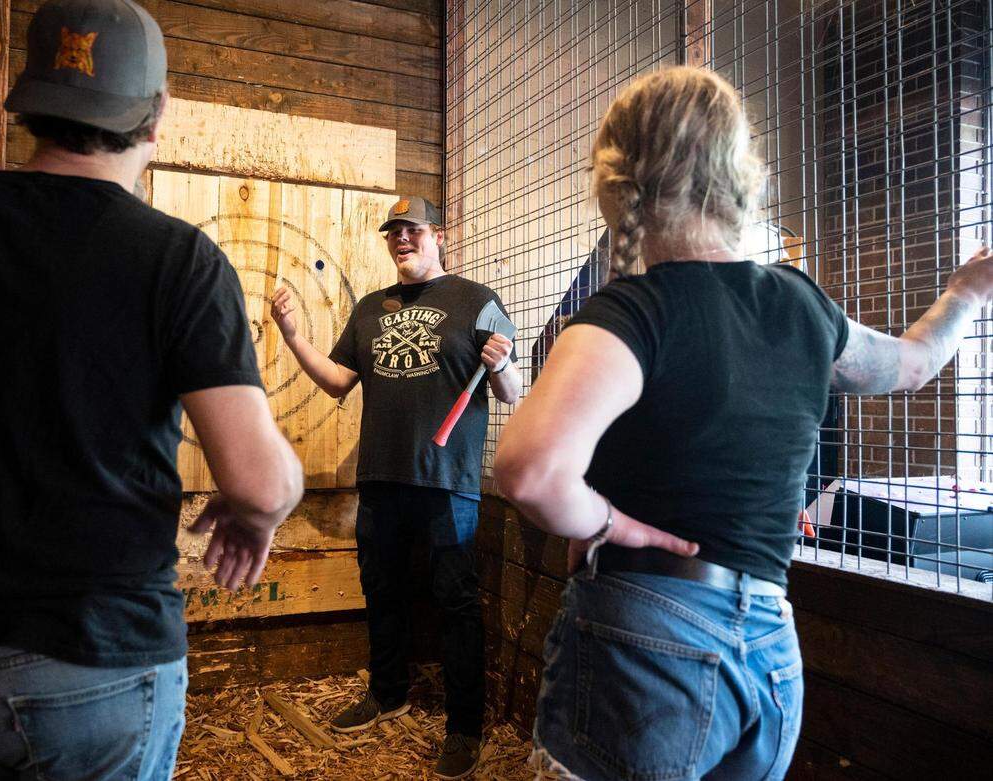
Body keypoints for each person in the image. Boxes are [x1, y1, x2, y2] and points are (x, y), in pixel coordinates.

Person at [494, 66, 993, 781]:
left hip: (647, 637)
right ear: (737, 168)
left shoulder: (634, 310)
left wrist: (611, 524)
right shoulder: (802, 305)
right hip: (768, 648)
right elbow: (912, 364)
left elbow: (529, 468)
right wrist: (964, 292)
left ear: (620, 180)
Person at [0, 1, 303, 778]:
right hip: (100, 656)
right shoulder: (178, 260)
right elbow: (258, 484)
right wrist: (263, 510)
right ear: (158, 115)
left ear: (29, 103)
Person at [270, 195, 521, 779]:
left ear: (438, 234)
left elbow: (508, 391)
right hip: (381, 477)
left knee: (456, 601)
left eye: (411, 229)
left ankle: (464, 725)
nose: (400, 239)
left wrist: (503, 360)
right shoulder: (371, 309)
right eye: (392, 233)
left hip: (447, 481)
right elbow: (336, 382)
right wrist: (292, 335)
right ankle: (388, 693)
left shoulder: (477, 300)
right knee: (381, 588)